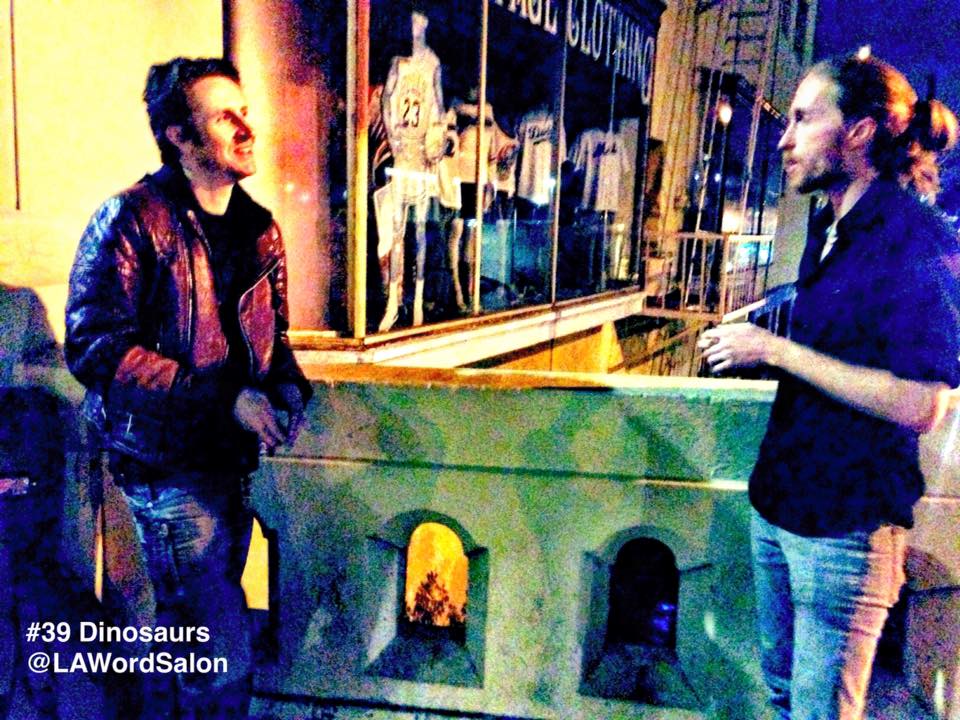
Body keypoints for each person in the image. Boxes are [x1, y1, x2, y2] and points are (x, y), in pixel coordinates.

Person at [700, 53, 960, 720]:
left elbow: (923, 403)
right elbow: (839, 349)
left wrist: (774, 350)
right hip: (780, 505)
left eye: (803, 119)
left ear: (861, 133)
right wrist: (766, 344)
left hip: (845, 528)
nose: (784, 140)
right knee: (783, 697)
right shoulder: (829, 224)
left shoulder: (915, 240)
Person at [65, 57, 312, 719]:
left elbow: (272, 342)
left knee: (198, 644)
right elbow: (94, 347)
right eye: (224, 117)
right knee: (216, 655)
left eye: (245, 112)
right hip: (166, 468)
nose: (246, 128)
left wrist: (289, 393)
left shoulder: (259, 228)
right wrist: (226, 397)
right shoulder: (131, 218)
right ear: (179, 135)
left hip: (229, 465)